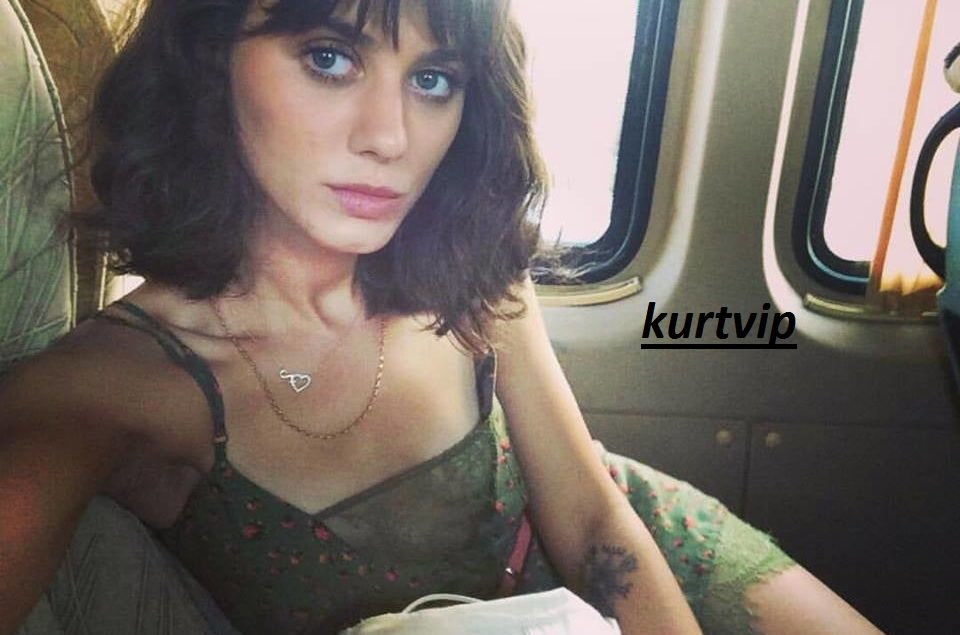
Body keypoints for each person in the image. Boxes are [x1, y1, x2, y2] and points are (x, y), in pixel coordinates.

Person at [0, 1, 883, 634]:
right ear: (207, 62)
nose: (391, 136)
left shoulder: (468, 265)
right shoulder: (111, 388)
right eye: (330, 58)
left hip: (646, 555)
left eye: (432, 79)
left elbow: (593, 520)